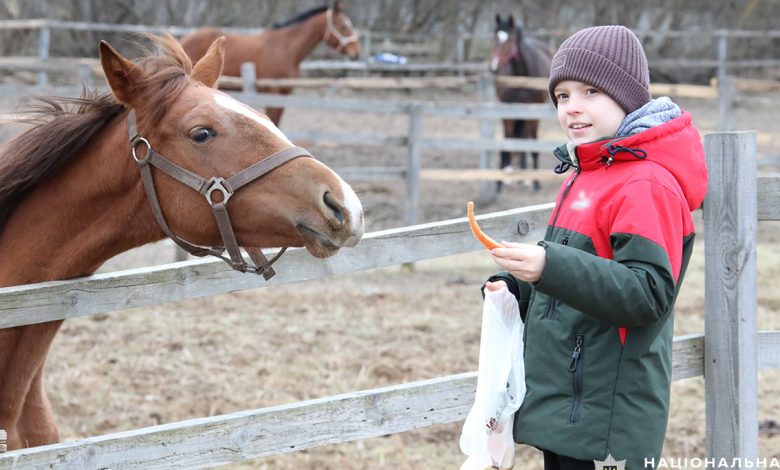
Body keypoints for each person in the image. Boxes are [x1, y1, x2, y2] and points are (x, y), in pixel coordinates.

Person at [483, 25, 708, 470]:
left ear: (626, 97)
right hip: (568, 404)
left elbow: (647, 294)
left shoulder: (645, 183)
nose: (573, 107)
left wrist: (548, 264)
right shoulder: (586, 173)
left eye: (590, 91)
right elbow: (574, 281)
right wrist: (516, 287)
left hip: (606, 414)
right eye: (562, 95)